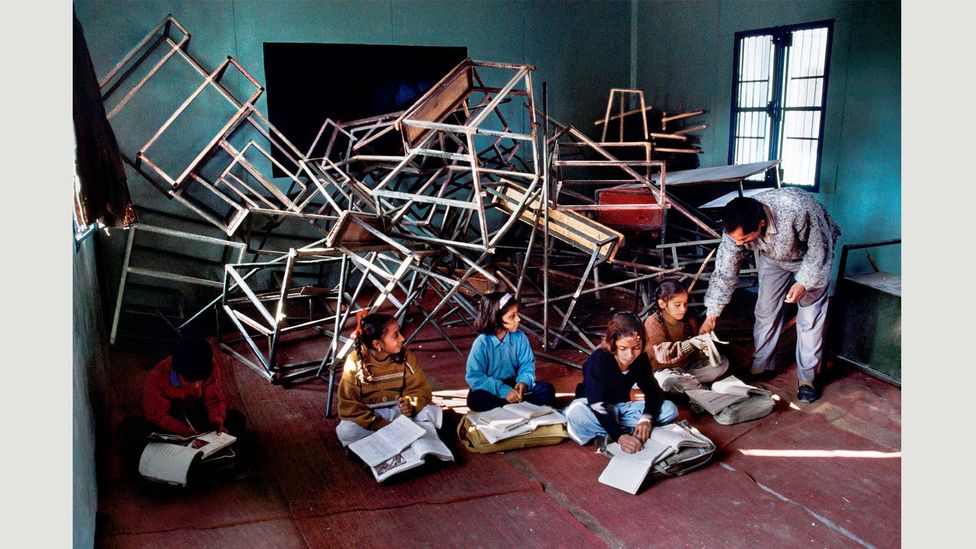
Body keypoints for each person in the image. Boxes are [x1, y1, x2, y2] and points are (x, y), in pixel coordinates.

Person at [699, 188, 841, 403]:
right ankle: (762, 365)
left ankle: (807, 379)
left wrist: (804, 282)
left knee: (810, 318)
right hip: (774, 259)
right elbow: (725, 270)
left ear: (761, 224)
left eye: (745, 239)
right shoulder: (737, 225)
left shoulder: (797, 208)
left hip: (810, 257)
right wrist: (712, 314)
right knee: (766, 309)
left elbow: (820, 249)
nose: (740, 244)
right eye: (736, 240)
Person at [117, 337, 247, 480]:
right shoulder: (156, 377)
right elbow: (157, 415)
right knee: (130, 429)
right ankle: (204, 470)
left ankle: (198, 468)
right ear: (175, 369)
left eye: (200, 380)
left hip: (195, 417)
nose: (196, 385)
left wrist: (218, 422)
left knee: (236, 418)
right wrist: (183, 431)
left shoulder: (208, 366)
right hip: (170, 425)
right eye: (190, 381)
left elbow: (214, 398)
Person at [564, 311, 678, 454]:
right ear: (613, 343)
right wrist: (620, 437)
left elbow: (653, 392)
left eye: (636, 348)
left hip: (621, 409)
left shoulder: (640, 359)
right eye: (623, 348)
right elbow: (597, 405)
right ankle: (620, 431)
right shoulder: (597, 361)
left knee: (669, 409)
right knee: (575, 413)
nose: (630, 355)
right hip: (592, 408)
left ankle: (606, 433)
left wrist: (646, 419)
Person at [336, 312, 442, 447]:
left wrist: (409, 404)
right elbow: (349, 404)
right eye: (395, 335)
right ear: (378, 344)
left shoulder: (405, 356)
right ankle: (400, 437)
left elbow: (420, 388)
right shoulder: (355, 361)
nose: (402, 338)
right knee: (345, 431)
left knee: (431, 412)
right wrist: (379, 424)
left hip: (397, 412)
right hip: (371, 416)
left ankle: (389, 438)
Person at [465, 291, 555, 411]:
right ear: (496, 317)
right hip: (491, 387)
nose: (518, 319)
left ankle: (508, 405)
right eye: (512, 316)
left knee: (547, 390)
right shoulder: (482, 343)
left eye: (517, 314)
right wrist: (504, 391)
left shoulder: (520, 337)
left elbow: (527, 364)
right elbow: (475, 377)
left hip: (515, 384)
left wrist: (524, 382)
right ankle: (517, 405)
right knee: (476, 399)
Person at [644, 279, 728, 392]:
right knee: (670, 381)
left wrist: (704, 349)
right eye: (677, 305)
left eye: (685, 303)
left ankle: (690, 383)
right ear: (662, 304)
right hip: (665, 371)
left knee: (722, 363)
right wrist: (692, 343)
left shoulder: (689, 320)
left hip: (687, 369)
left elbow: (696, 356)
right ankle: (701, 389)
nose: (683, 309)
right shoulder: (652, 322)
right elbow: (663, 355)